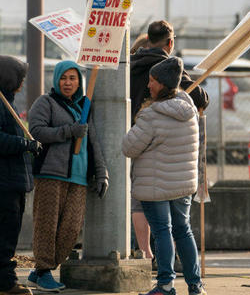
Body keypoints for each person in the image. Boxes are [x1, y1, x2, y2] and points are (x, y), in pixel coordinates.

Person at [122, 57, 206, 295]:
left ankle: (165, 285)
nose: (148, 85)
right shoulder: (188, 109)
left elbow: (128, 147)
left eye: (152, 81)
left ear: (163, 84)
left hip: (155, 185)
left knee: (162, 232)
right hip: (182, 185)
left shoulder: (152, 115)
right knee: (183, 230)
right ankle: (195, 285)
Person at [129, 21, 208, 264]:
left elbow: (127, 146)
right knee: (175, 222)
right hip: (167, 146)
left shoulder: (130, 64)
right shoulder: (168, 68)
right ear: (170, 42)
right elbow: (200, 98)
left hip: (136, 136)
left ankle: (145, 253)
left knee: (139, 202)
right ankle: (178, 271)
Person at [27, 60, 109, 291]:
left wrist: (102, 174)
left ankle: (39, 271)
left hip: (79, 178)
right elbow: (36, 131)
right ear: (56, 80)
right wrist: (68, 131)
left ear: (79, 82)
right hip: (51, 174)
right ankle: (44, 271)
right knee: (47, 225)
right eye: (64, 78)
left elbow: (94, 143)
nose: (68, 83)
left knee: (71, 230)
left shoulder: (84, 106)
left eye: (73, 78)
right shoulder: (46, 102)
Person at [0, 56, 41, 295]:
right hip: (4, 183)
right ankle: (5, 282)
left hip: (13, 181)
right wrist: (23, 144)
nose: (23, 84)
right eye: (20, 78)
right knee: (5, 236)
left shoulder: (8, 102)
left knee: (8, 235)